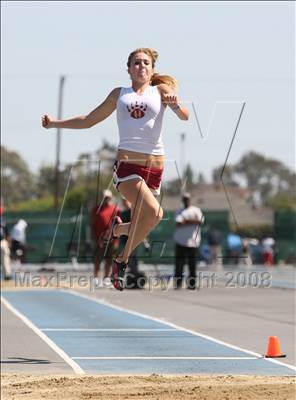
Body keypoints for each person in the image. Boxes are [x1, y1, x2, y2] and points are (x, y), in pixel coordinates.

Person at [42, 47, 189, 291]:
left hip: (155, 171)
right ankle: (121, 260)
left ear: (152, 69)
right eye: (137, 63)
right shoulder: (120, 94)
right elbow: (89, 120)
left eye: (145, 63)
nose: (141, 66)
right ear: (129, 68)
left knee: (151, 218)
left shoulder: (160, 91)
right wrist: (55, 124)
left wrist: (174, 104)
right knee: (154, 213)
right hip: (128, 167)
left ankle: (119, 229)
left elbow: (184, 116)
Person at [174, 192, 204, 289]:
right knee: (179, 264)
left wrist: (186, 221)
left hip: (193, 242)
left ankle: (192, 284)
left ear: (190, 199)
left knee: (192, 265)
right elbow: (178, 223)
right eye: (184, 199)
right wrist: (192, 221)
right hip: (180, 241)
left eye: (187, 199)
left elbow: (199, 221)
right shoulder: (179, 210)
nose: (186, 201)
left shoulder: (196, 210)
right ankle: (178, 284)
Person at [91, 189, 121, 279]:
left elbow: (119, 224)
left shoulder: (116, 209)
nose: (106, 199)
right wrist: (93, 238)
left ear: (111, 198)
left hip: (112, 240)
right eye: (105, 197)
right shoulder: (96, 209)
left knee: (109, 260)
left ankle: (106, 278)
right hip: (99, 239)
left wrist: (116, 239)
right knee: (97, 260)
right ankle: (96, 278)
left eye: (108, 197)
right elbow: (92, 224)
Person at [0, 206, 12, 280]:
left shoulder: (2, 220)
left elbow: (7, 232)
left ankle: (7, 275)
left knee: (5, 257)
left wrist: (9, 242)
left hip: (2, 241)